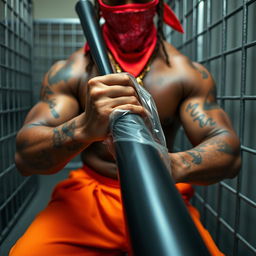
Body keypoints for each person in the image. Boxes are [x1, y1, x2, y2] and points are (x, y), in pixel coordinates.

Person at [10, 0, 241, 255]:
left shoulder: (185, 74)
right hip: (91, 197)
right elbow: (25, 158)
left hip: (161, 194)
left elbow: (229, 153)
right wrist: (84, 127)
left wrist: (169, 165)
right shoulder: (71, 72)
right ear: (99, 5)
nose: (129, 4)